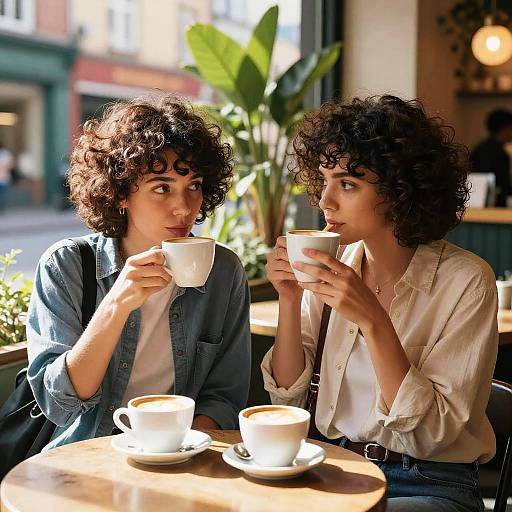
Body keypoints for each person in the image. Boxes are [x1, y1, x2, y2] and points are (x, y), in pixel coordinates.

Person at [264, 95, 498, 512]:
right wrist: (289, 298)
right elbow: (288, 400)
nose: (324, 201)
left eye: (348, 184)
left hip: (427, 484)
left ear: (398, 191)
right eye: (325, 180)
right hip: (330, 469)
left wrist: (374, 321)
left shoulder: (466, 281)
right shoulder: (333, 270)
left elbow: (434, 432)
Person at [26, 95, 251, 450]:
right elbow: (59, 404)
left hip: (183, 454)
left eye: (193, 186)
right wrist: (115, 306)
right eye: (162, 187)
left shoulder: (223, 272)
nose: (184, 206)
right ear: (119, 193)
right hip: (86, 455)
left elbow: (224, 397)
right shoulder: (66, 266)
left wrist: (180, 450)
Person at [470, 109, 512, 207]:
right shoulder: (498, 153)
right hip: (491, 203)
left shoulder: (479, 149)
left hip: (474, 201)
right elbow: (502, 184)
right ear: (506, 128)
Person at [0, 141, 14, 213]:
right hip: (4, 177)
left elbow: (11, 164)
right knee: (2, 194)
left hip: (4, 177)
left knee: (2, 194)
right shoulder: (6, 154)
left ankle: (2, 208)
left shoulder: (6, 153)